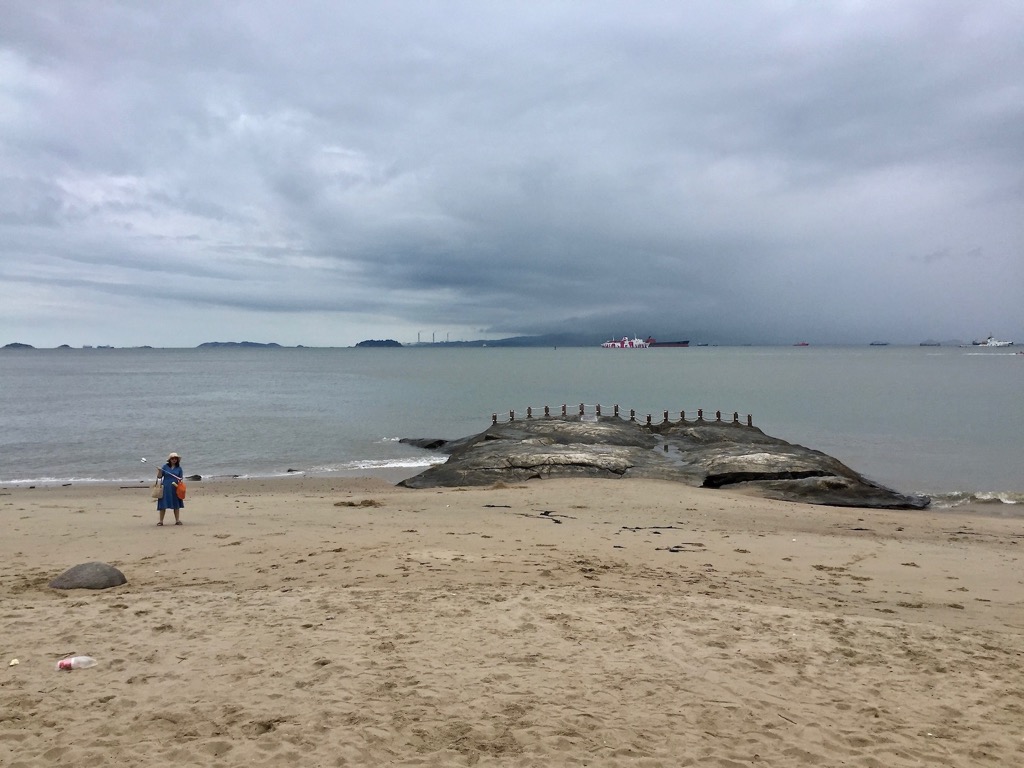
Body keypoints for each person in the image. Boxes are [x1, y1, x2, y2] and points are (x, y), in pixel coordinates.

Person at [156, 452, 185, 526]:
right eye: (172, 458)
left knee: (176, 504)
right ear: (170, 459)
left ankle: (177, 520)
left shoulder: (179, 468)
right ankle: (161, 521)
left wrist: (179, 483)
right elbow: (159, 477)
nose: (174, 460)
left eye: (175, 458)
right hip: (165, 487)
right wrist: (159, 470)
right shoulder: (165, 467)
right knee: (163, 504)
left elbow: (181, 479)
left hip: (175, 487)